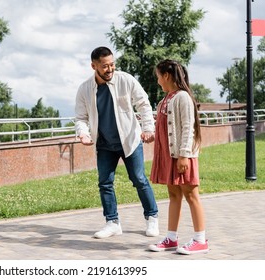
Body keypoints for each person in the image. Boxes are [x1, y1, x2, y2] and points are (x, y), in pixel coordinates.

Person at [75, 46, 159, 239]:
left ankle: (152, 217)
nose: (110, 69)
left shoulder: (125, 80)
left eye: (112, 64)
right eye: (105, 66)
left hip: (130, 140)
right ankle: (112, 223)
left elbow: (143, 104)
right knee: (105, 183)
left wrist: (148, 129)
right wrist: (83, 133)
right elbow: (80, 117)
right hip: (104, 143)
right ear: (93, 66)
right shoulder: (85, 89)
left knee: (139, 179)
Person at [148, 59, 209, 254]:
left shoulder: (183, 97)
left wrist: (184, 155)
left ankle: (200, 240)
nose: (158, 81)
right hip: (169, 156)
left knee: (191, 195)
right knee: (174, 195)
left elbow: (188, 128)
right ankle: (171, 238)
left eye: (158, 77)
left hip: (182, 155)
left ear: (166, 76)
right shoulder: (165, 99)